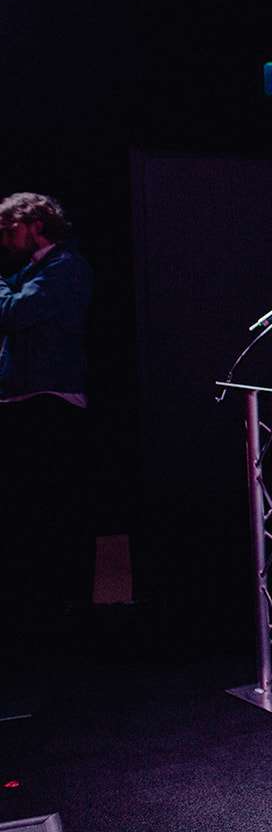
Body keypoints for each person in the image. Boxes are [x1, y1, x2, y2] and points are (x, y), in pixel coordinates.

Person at [0, 192, 94, 652]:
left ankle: (62, 622)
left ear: (36, 224)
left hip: (51, 402)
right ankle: (34, 619)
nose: (4, 239)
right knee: (27, 516)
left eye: (9, 229)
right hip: (26, 400)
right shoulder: (27, 273)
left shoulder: (66, 267)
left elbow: (17, 313)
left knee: (51, 513)